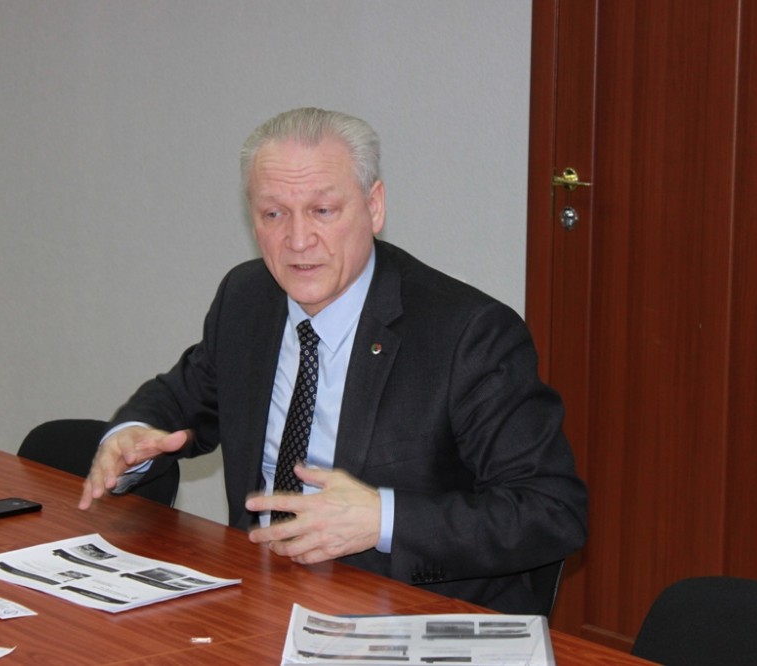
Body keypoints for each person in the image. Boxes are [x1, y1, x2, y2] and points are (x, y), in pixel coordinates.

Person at [79, 107, 587, 614]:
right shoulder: (247, 298)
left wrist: (383, 519)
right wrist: (131, 435)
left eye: (322, 210)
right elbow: (180, 400)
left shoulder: (466, 333)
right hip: (259, 596)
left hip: (405, 612)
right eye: (274, 214)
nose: (298, 240)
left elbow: (552, 511)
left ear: (374, 207)